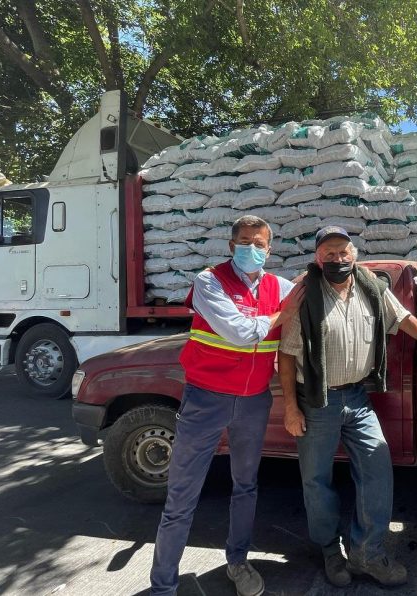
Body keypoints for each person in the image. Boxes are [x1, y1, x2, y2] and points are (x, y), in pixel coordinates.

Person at [149, 215, 304, 596]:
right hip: (206, 400)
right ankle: (163, 585)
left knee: (246, 486)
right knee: (182, 496)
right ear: (232, 246)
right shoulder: (210, 281)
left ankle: (237, 561)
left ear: (270, 249)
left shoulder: (280, 286)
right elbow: (237, 332)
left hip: (253, 402)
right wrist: (283, 314)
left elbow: (309, 295)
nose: (252, 248)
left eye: (260, 243)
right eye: (245, 241)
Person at [278, 226, 417, 588]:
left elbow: (404, 319)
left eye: (342, 251)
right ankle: (330, 550)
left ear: (354, 253)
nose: (337, 259)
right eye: (329, 253)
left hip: (358, 399)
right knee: (317, 481)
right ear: (319, 258)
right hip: (316, 400)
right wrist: (291, 407)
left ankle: (367, 552)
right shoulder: (305, 292)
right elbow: (286, 355)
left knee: (377, 470)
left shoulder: (370, 287)